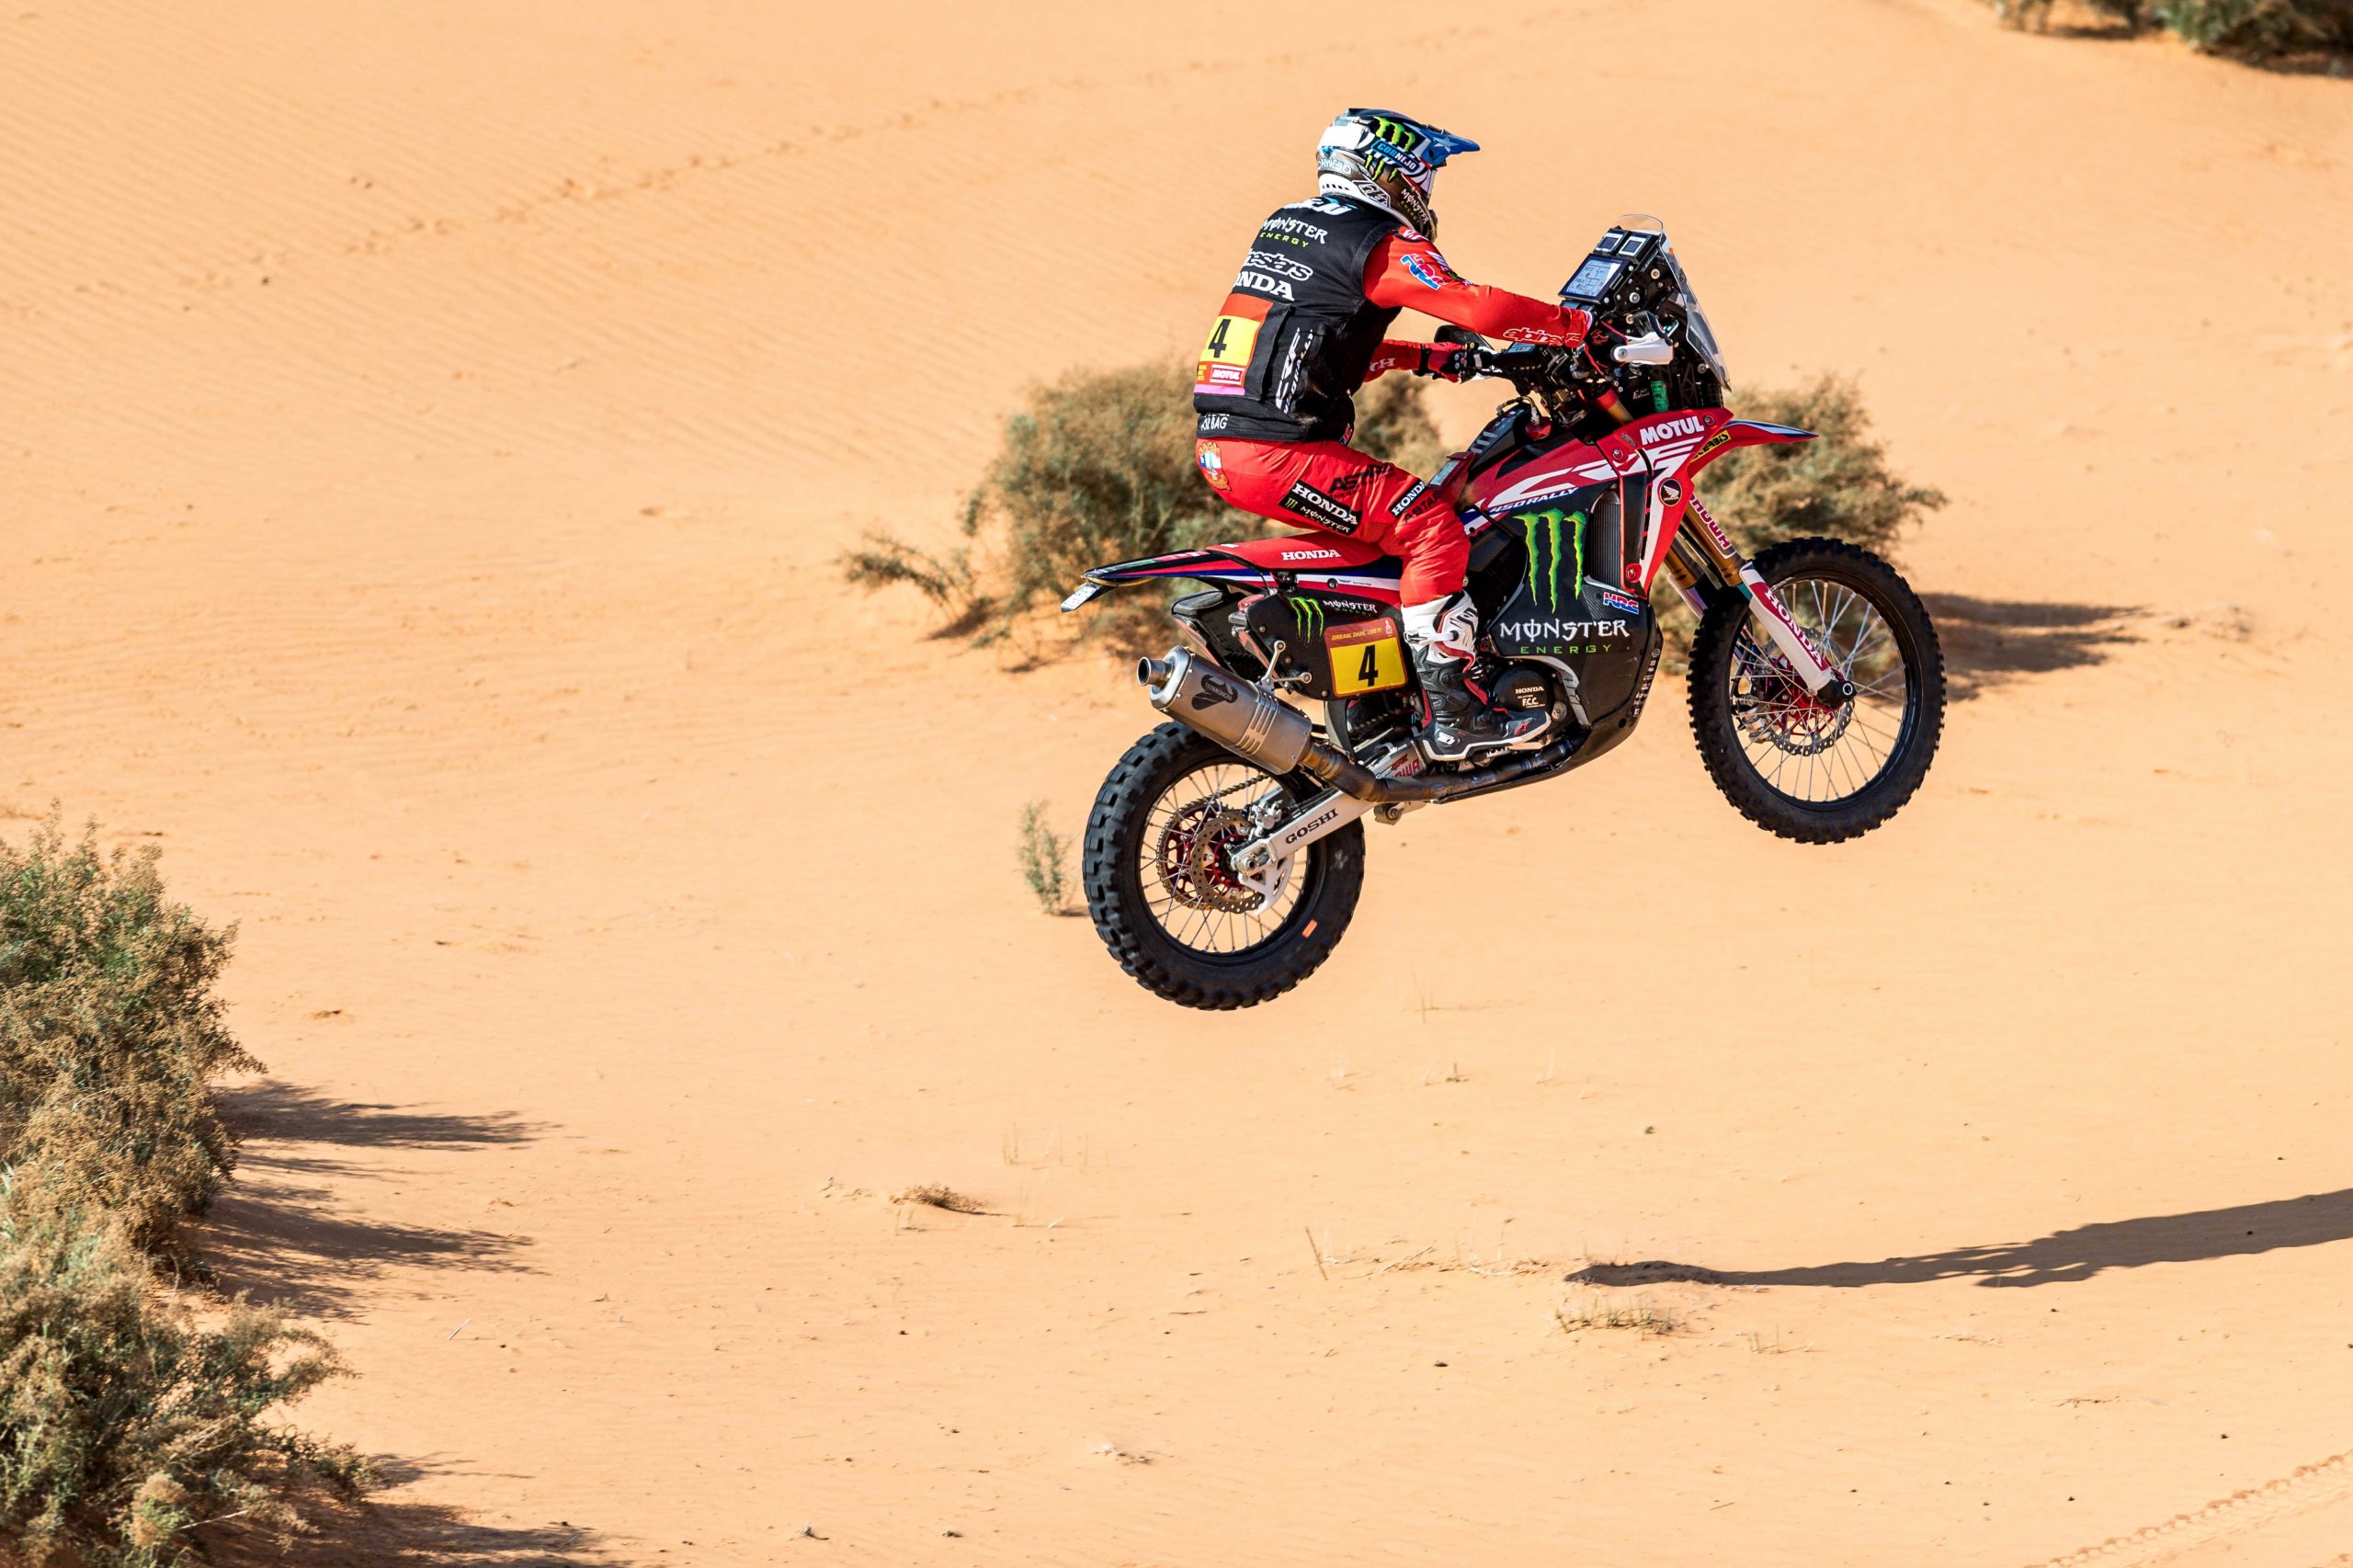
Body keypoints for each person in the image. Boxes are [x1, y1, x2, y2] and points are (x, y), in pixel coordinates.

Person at [1191, 108, 1591, 761]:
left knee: (1388, 543)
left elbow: (1319, 341)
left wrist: (1425, 358)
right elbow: (1478, 306)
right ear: (1386, 173)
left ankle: (1382, 690)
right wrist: (1575, 328)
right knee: (1430, 521)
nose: (1425, 194)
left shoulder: (1291, 227)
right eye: (1422, 177)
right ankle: (1455, 713)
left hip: (1226, 444)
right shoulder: (1374, 240)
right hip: (1277, 451)